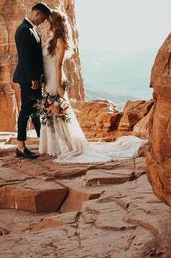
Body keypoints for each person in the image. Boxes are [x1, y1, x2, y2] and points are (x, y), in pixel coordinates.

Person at [39, 9, 147, 163]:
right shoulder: (51, 40)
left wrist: (58, 87)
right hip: (48, 80)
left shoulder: (60, 41)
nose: (46, 23)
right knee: (50, 114)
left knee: (60, 114)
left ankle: (65, 147)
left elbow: (58, 65)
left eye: (48, 20)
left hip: (55, 80)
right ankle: (53, 146)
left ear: (53, 22)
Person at [13, 2, 51, 159]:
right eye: (43, 18)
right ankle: (20, 146)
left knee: (35, 111)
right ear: (37, 14)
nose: (43, 21)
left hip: (33, 78)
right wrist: (34, 79)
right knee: (26, 112)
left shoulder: (31, 30)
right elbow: (26, 58)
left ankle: (43, 142)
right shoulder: (24, 31)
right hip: (29, 79)